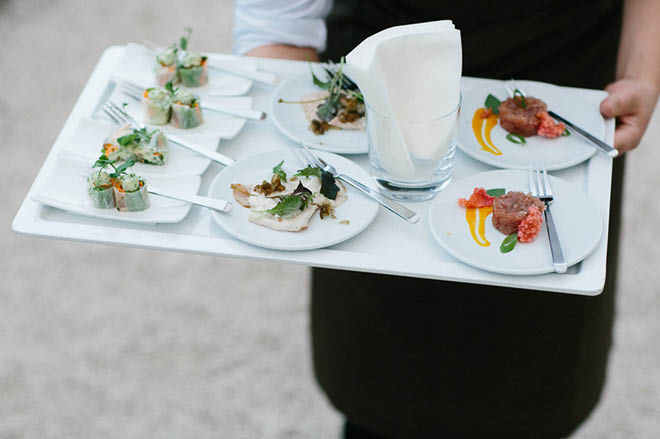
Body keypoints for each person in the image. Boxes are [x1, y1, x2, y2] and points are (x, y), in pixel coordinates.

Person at [233, 1, 660, 437]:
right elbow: (277, 28)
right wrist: (297, 132)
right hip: (382, 84)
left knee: (533, 381)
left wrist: (642, 67)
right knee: (385, 384)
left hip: (565, 70)